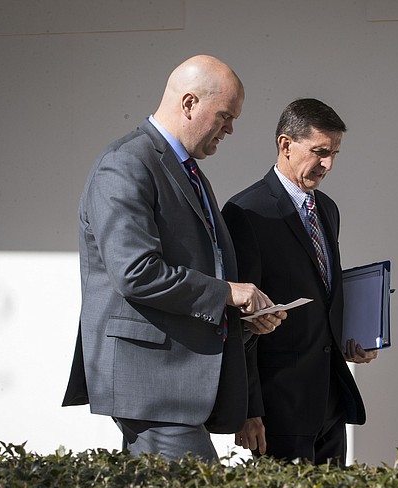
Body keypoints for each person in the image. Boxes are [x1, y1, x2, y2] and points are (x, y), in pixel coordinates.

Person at [62, 55, 285, 462]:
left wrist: (243, 319)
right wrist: (227, 294)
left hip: (174, 386)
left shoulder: (186, 171)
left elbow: (202, 270)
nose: (231, 128)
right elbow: (136, 272)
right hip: (150, 386)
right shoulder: (126, 164)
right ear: (188, 103)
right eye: (225, 116)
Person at [221, 98, 378, 465]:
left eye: (335, 153)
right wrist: (247, 408)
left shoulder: (327, 209)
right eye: (320, 152)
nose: (328, 164)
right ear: (286, 145)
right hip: (279, 408)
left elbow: (322, 295)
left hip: (331, 400)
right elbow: (240, 321)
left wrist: (350, 338)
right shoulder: (245, 212)